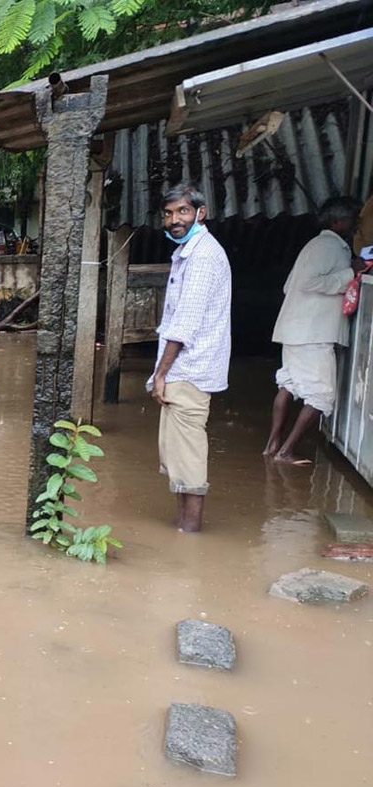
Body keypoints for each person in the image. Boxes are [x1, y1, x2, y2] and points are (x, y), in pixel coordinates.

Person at [147, 183, 233, 533]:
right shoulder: (189, 251)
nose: (173, 220)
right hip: (185, 370)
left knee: (189, 459)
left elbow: (183, 325)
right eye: (168, 214)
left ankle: (190, 535)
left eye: (182, 211)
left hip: (189, 370)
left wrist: (162, 374)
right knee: (178, 457)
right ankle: (184, 527)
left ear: (201, 212)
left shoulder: (203, 256)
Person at [263, 196, 361, 465]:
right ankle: (286, 452)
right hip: (312, 334)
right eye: (353, 220)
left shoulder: (315, 245)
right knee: (321, 395)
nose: (356, 225)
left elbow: (289, 287)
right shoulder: (330, 247)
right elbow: (310, 283)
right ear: (338, 222)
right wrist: (350, 273)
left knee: (288, 385)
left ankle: (273, 444)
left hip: (296, 330)